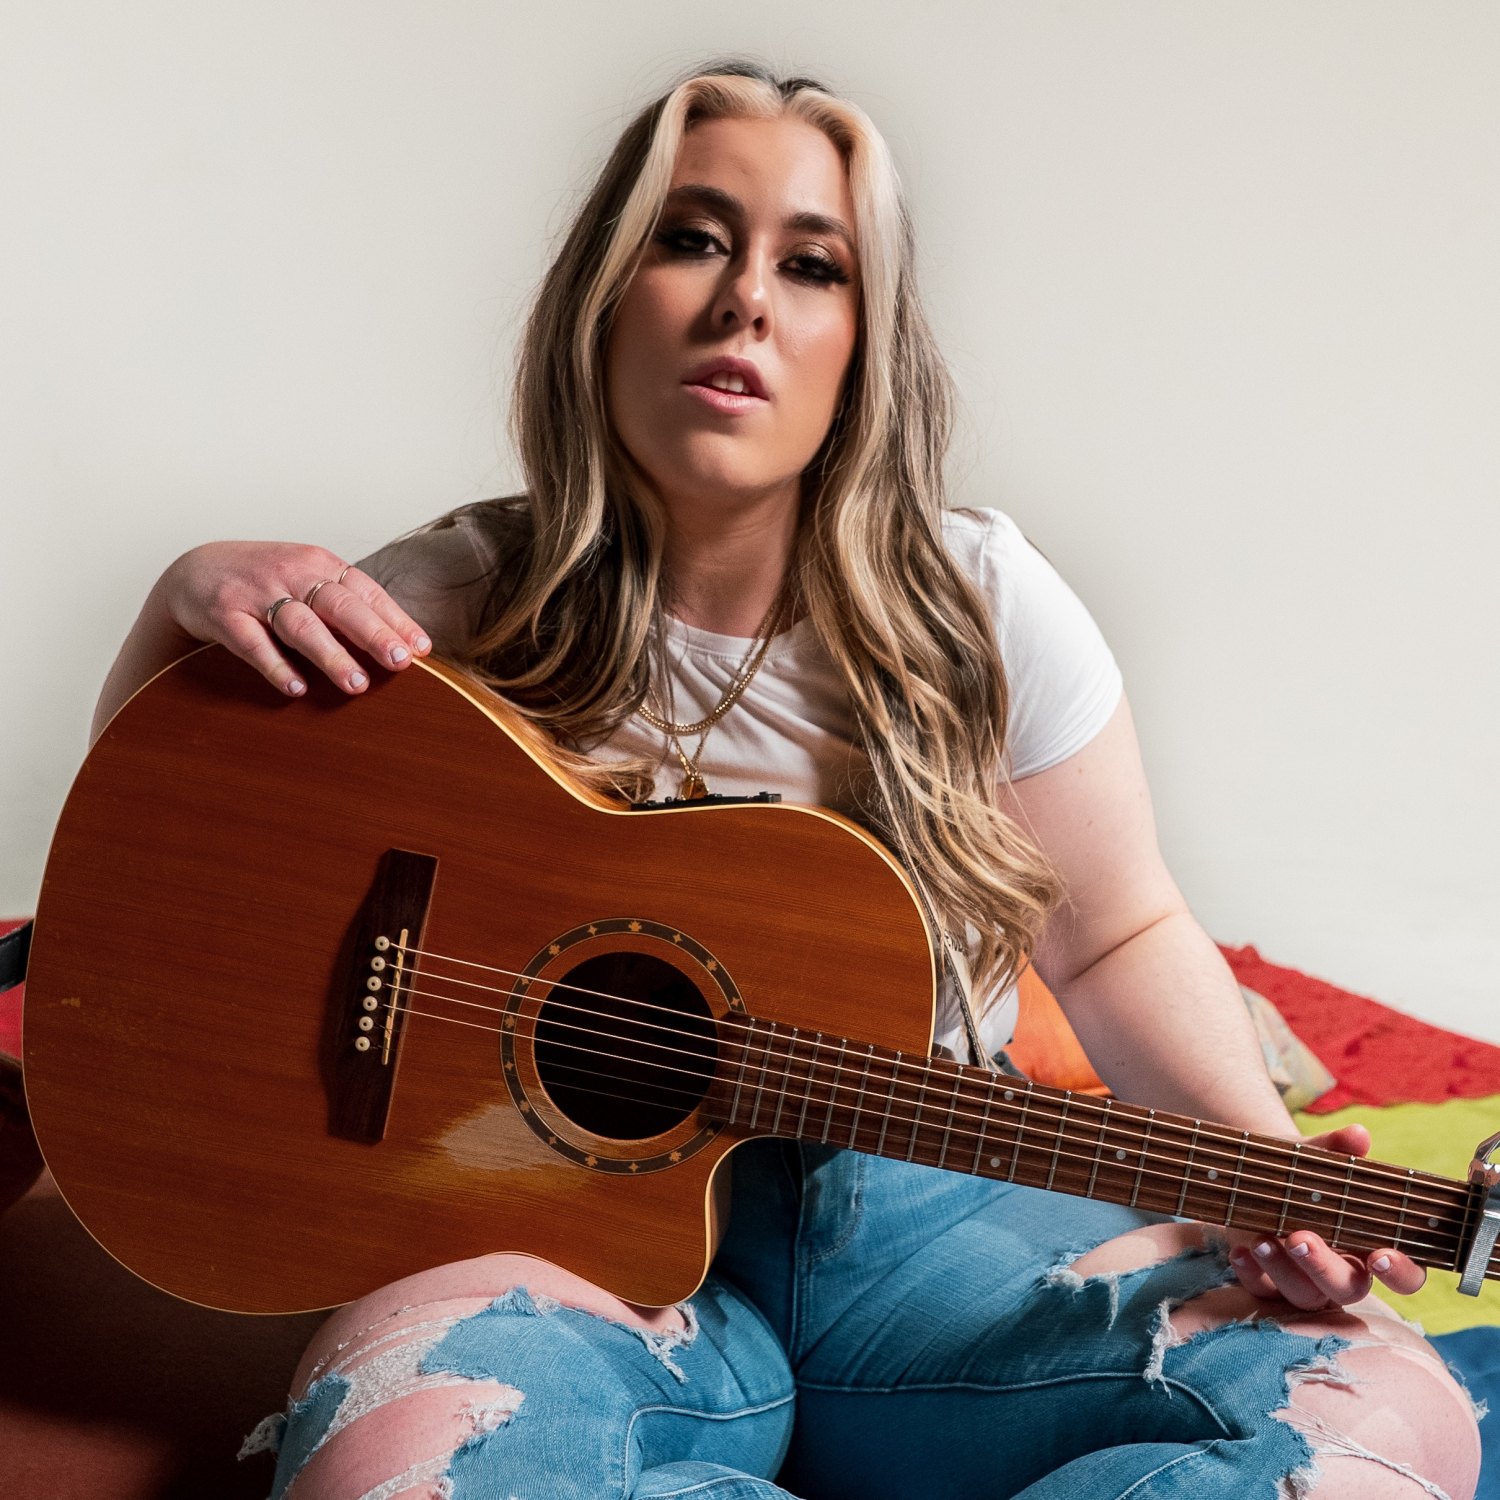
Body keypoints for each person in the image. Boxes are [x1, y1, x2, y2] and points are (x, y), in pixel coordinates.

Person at [93, 60, 1479, 1500]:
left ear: (863, 345)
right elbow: (163, 869)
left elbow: (1116, 934)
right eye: (692, 238)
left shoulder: (983, 608)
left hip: (941, 1216)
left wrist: (1260, 1166)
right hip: (547, 1232)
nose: (746, 298)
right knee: (406, 1450)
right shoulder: (451, 604)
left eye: (812, 264)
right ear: (601, 297)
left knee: (1374, 1415)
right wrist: (177, 603)